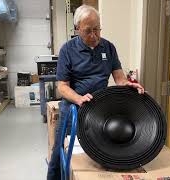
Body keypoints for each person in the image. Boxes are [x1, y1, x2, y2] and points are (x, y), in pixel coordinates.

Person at [47, 4, 144, 180]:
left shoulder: (108, 47)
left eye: (97, 29)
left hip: (100, 107)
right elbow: (62, 86)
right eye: (88, 31)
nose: (94, 35)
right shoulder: (67, 50)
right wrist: (78, 98)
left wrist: (128, 84)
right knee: (59, 149)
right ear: (77, 30)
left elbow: (119, 78)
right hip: (73, 107)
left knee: (97, 148)